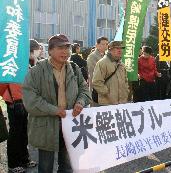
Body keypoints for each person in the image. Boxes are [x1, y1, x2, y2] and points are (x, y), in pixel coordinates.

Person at [22, 34, 91, 173]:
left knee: (67, 165)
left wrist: (80, 102)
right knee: (46, 166)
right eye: (60, 48)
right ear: (50, 51)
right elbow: (30, 100)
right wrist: (54, 110)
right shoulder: (37, 71)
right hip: (46, 125)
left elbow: (84, 90)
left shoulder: (74, 68)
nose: (65, 51)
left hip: (70, 123)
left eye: (67, 48)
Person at [0, 39, 40, 173]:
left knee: (23, 133)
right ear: (29, 51)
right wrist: (12, 98)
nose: (38, 52)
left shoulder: (29, 63)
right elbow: (4, 84)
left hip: (24, 101)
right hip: (14, 102)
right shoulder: (14, 62)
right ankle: (13, 163)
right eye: (36, 50)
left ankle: (24, 158)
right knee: (15, 134)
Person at [92, 41, 129, 105]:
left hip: (121, 103)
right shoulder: (102, 63)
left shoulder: (122, 65)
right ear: (110, 50)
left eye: (121, 48)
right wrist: (107, 93)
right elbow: (96, 82)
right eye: (117, 48)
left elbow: (125, 81)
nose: (120, 50)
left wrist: (126, 92)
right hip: (107, 104)